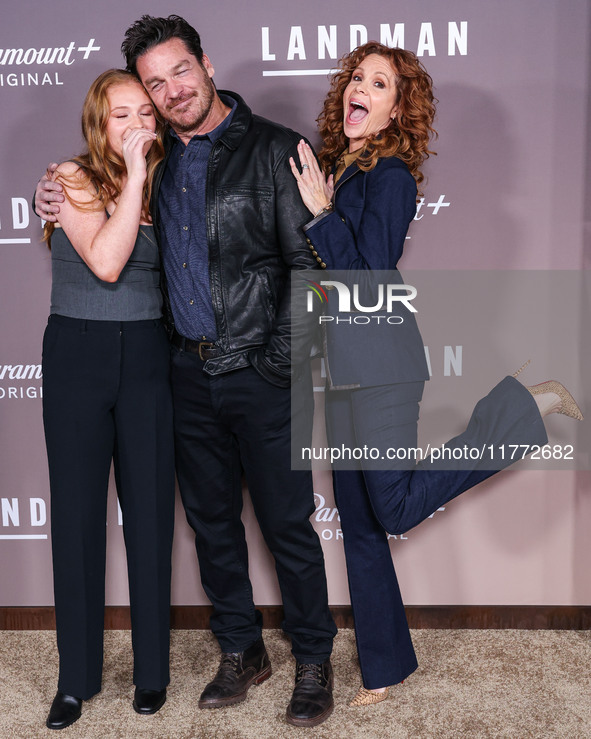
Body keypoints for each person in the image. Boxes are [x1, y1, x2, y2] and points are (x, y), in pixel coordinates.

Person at [35, 15, 337, 728]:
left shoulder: (275, 150)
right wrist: (55, 190)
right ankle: (240, 648)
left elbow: (313, 268)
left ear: (204, 63)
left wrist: (274, 360)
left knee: (287, 523)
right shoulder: (155, 159)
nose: (169, 92)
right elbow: (104, 210)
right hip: (182, 372)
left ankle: (314, 656)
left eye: (178, 73)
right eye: (151, 84)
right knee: (210, 523)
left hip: (263, 370)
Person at [289, 42, 583, 706]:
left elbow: (370, 276)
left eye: (378, 83)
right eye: (356, 78)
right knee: (360, 521)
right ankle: (383, 669)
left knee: (389, 507)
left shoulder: (389, 176)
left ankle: (520, 409)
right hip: (342, 368)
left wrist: (321, 215)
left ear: (396, 111)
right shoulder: (342, 170)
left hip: (384, 367)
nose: (358, 89)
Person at [40, 69, 175, 730]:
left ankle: (152, 672)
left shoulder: (165, 181)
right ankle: (76, 678)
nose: (136, 126)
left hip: (150, 356)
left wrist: (146, 177)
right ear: (100, 121)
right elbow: (107, 262)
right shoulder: (68, 178)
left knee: (150, 516)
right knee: (76, 517)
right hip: (77, 357)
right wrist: (134, 177)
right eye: (121, 114)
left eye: (145, 113)